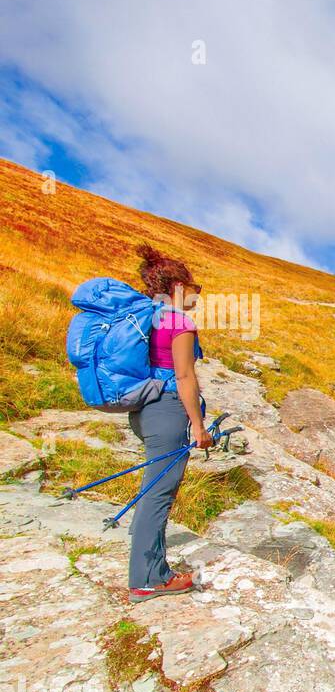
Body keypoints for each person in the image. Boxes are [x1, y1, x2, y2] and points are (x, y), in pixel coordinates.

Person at [126, 245, 212, 603]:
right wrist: (199, 426)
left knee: (154, 488)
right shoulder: (179, 321)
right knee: (159, 492)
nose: (197, 295)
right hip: (168, 409)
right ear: (177, 286)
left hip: (143, 408)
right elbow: (185, 375)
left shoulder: (146, 317)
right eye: (195, 287)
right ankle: (147, 580)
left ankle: (152, 563)